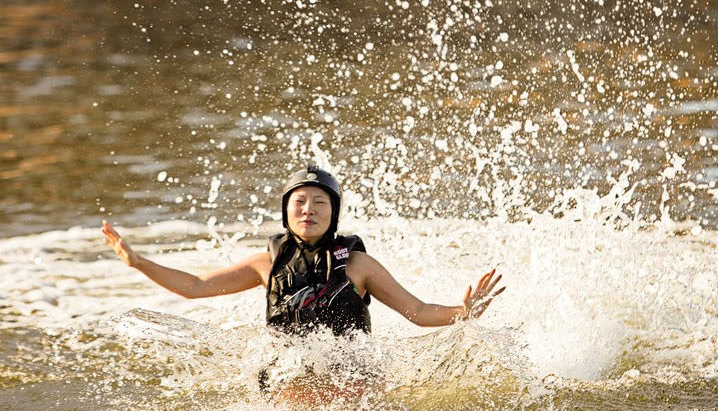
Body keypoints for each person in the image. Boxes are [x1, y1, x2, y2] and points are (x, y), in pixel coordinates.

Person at [101, 165, 505, 337]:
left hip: (350, 380)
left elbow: (415, 312)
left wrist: (462, 312)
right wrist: (138, 262)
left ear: (334, 214)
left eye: (320, 203)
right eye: (299, 202)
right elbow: (194, 286)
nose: (308, 210)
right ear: (286, 211)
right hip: (289, 380)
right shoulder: (266, 264)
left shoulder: (358, 265)